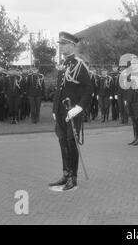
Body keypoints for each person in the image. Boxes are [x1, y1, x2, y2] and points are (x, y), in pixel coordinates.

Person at [50, 32, 92, 191]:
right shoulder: (64, 63)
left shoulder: (79, 64)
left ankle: (73, 177)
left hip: (72, 111)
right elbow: (59, 89)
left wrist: (78, 108)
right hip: (61, 111)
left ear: (72, 46)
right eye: (60, 44)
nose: (60, 47)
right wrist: (55, 109)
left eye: (63, 44)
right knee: (62, 142)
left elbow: (88, 90)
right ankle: (65, 173)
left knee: (71, 143)